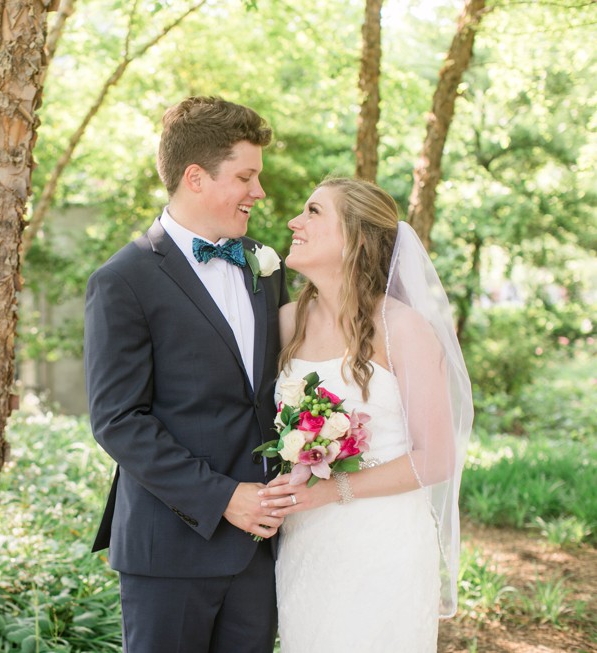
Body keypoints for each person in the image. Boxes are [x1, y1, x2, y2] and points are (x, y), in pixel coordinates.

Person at [84, 96, 289, 653]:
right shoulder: (122, 280)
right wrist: (224, 497)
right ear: (195, 177)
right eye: (245, 176)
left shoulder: (264, 266)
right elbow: (118, 421)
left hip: (260, 548)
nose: (259, 192)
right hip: (170, 546)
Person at [258, 177, 473, 651]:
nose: (294, 221)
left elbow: (435, 458)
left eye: (313, 212)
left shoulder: (403, 328)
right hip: (307, 543)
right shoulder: (286, 322)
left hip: (383, 543)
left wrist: (333, 490)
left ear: (355, 237)